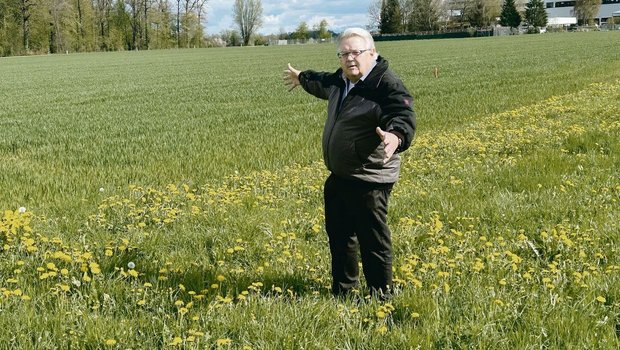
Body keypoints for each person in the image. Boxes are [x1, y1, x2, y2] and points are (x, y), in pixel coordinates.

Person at [283, 27, 416, 299]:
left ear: (372, 53)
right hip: (340, 176)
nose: (349, 59)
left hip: (369, 179)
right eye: (344, 53)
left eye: (355, 52)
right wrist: (301, 77)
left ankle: (382, 298)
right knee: (340, 237)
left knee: (373, 242)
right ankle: (344, 292)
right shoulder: (342, 80)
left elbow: (401, 113)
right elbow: (320, 81)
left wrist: (395, 136)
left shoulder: (385, 85)